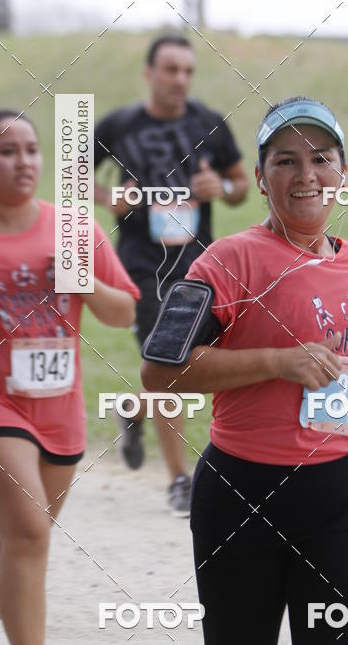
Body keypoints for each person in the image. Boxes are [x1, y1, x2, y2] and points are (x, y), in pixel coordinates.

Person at [141, 96, 348, 645]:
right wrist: (279, 362)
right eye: (286, 160)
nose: (306, 174)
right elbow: (159, 372)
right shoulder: (227, 260)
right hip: (243, 495)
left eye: (321, 158)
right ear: (259, 176)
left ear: (344, 173)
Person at [0, 110, 139, 645]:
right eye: (7, 151)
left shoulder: (74, 228)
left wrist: (82, 283)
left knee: (16, 536)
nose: (24, 161)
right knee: (30, 531)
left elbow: (124, 312)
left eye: (32, 150)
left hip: (57, 407)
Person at [94, 32, 248, 515]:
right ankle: (180, 478)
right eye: (170, 70)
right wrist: (108, 198)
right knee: (167, 361)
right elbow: (73, 174)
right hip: (142, 261)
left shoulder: (210, 123)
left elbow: (244, 184)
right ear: (149, 73)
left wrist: (220, 186)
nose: (180, 79)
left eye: (187, 71)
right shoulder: (118, 126)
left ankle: (133, 409)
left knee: (188, 365)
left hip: (200, 264)